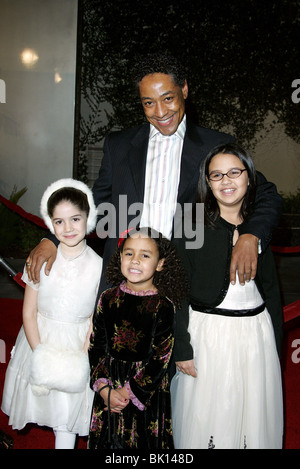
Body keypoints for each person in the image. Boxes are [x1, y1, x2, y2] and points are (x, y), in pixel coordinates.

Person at [25, 51, 282, 298]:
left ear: (184, 90)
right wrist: (52, 240)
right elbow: (94, 204)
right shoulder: (119, 146)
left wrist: (250, 236)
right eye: (149, 102)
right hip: (126, 278)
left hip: (188, 279)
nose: (160, 112)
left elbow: (266, 193)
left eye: (168, 98)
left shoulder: (215, 145)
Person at [170, 143, 283, 449]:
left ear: (249, 177)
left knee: (252, 418)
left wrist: (276, 339)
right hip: (208, 336)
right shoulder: (189, 226)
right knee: (210, 418)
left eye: (235, 172)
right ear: (207, 182)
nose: (226, 181)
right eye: (216, 175)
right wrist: (182, 345)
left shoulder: (259, 230)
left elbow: (271, 289)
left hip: (256, 335)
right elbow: (177, 290)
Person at [1, 179, 103, 449]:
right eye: (59, 221)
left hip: (78, 344)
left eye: (75, 219)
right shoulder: (40, 259)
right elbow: (29, 311)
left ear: (88, 218)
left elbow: (95, 317)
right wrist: (40, 354)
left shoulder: (98, 266)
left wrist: (83, 353)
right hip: (40, 339)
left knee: (67, 414)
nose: (68, 228)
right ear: (50, 223)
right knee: (44, 401)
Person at [88, 227, 188, 449]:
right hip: (110, 384)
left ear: (160, 263)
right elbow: (96, 346)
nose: (135, 260)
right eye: (129, 253)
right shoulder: (107, 298)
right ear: (120, 257)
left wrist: (126, 393)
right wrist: (105, 390)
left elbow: (160, 359)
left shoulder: (164, 306)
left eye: (145, 255)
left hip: (145, 393)